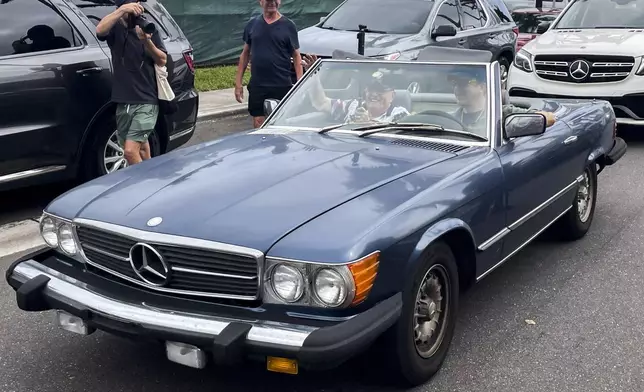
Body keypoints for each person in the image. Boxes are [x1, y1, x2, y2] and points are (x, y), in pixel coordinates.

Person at [95, 0, 167, 166]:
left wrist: (146, 41)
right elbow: (99, 30)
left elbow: (162, 59)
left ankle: (141, 187)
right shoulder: (114, 27)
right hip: (123, 99)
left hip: (146, 100)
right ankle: (152, 180)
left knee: (129, 151)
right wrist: (121, 11)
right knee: (141, 148)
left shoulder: (147, 26)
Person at [235, 0, 303, 128]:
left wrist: (300, 83)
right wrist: (238, 83)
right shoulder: (252, 24)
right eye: (268, 0)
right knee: (259, 124)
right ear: (260, 2)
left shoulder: (289, 26)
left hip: (282, 85)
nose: (272, 3)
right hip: (258, 85)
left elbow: (296, 55)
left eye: (275, 0)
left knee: (281, 124)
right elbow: (245, 54)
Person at [302, 54, 410, 124]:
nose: (374, 94)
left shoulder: (400, 115)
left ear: (392, 95)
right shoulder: (351, 106)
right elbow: (321, 102)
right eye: (372, 89)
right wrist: (313, 75)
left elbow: (400, 143)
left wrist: (368, 124)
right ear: (365, 91)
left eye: (381, 90)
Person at [448, 69, 556, 134]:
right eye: (455, 84)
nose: (457, 90)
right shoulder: (451, 118)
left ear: (482, 87)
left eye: (463, 84)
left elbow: (549, 118)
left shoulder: (502, 114)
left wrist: (514, 127)